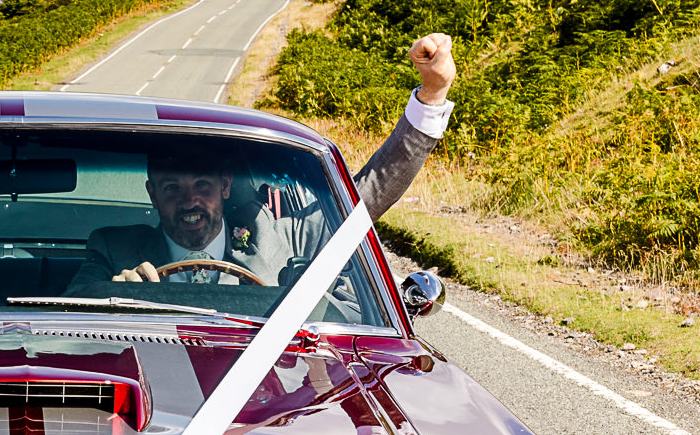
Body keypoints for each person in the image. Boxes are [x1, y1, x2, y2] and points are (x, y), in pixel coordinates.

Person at [74, 32, 458, 289]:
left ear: (225, 186)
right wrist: (115, 296)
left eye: (202, 185)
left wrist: (433, 93)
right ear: (152, 195)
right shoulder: (113, 249)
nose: (189, 201)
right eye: (172, 188)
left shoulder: (284, 237)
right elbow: (69, 314)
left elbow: (371, 193)